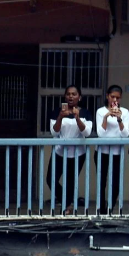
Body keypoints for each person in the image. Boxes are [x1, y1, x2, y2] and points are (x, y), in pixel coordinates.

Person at [48, 84, 93, 213]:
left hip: (78, 153)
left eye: (74, 94)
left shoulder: (85, 112)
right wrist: (61, 117)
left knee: (70, 181)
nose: (71, 96)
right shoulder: (57, 112)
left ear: (80, 97)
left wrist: (77, 118)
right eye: (68, 94)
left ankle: (67, 207)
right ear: (65, 96)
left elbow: (87, 133)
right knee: (51, 179)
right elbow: (54, 132)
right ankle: (66, 202)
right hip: (59, 151)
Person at [94, 86, 129, 212]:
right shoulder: (100, 111)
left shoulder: (124, 112)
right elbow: (100, 134)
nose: (115, 100)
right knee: (101, 182)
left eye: (117, 97)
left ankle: (110, 208)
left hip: (117, 152)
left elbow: (125, 134)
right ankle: (102, 210)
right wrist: (106, 117)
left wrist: (119, 119)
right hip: (101, 152)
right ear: (107, 96)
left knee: (116, 183)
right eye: (112, 96)